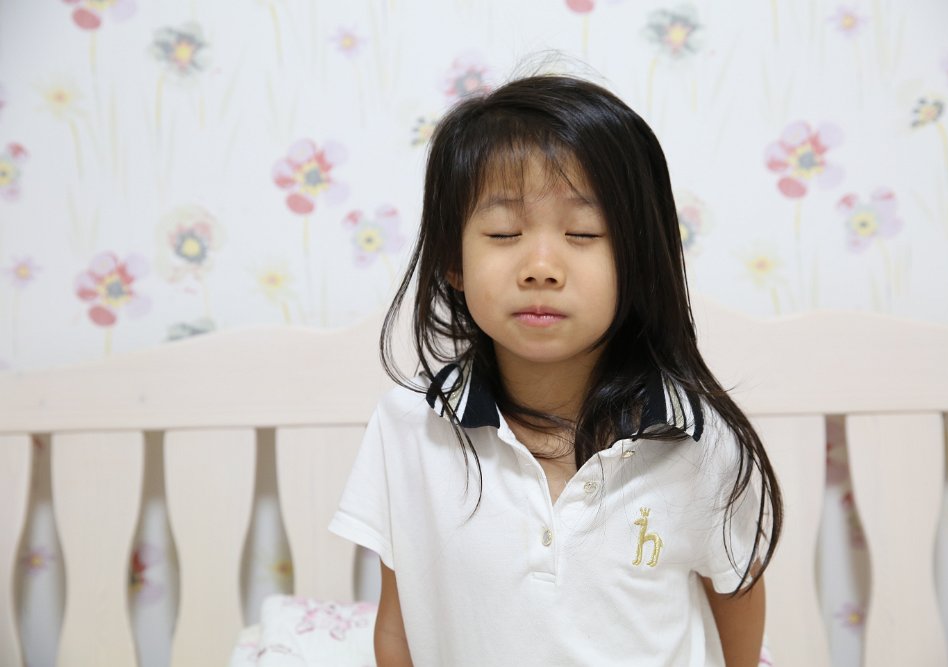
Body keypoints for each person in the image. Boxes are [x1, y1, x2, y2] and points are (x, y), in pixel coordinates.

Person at [328, 73, 783, 666]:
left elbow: (737, 596)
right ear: (453, 260)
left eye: (582, 232)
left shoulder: (697, 439)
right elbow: (398, 626)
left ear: (637, 259)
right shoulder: (409, 429)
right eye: (504, 232)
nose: (541, 266)